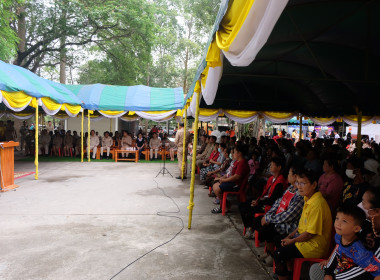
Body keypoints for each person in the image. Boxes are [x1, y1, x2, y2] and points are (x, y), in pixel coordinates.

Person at [273, 169, 332, 280]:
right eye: (297, 183)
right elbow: (301, 226)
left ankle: (283, 276)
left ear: (314, 184)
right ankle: (289, 271)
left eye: (303, 183)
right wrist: (290, 235)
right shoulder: (308, 198)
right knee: (278, 239)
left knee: (279, 253)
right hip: (304, 239)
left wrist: (292, 240)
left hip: (313, 246)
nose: (299, 187)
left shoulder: (317, 204)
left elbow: (310, 234)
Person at [309, 204, 380, 280]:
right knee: (315, 269)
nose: (338, 223)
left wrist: (335, 277)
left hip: (346, 276)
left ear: (356, 228)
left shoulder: (359, 251)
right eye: (337, 218)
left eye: (344, 221)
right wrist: (328, 273)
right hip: (338, 270)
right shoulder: (338, 236)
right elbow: (337, 252)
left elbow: (377, 272)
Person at [254, 166, 304, 266]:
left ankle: (272, 255)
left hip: (288, 224)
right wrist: (268, 215)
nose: (287, 176)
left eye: (289, 174)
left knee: (267, 229)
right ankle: (269, 252)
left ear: (295, 176)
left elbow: (288, 216)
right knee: (259, 221)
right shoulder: (290, 188)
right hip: (278, 219)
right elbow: (278, 202)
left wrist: (269, 219)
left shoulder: (300, 196)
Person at [240, 157, 287, 237]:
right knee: (241, 205)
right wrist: (258, 200)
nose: (270, 167)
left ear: (279, 167)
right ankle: (250, 226)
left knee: (248, 210)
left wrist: (259, 202)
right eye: (270, 165)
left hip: (269, 205)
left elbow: (272, 200)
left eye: (272, 165)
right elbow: (264, 194)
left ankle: (252, 228)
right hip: (263, 200)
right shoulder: (272, 178)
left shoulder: (280, 182)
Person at [211, 144, 250, 214]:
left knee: (217, 189)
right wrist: (222, 177)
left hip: (236, 185)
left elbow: (236, 177)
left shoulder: (242, 163)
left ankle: (225, 206)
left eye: (234, 152)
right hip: (232, 182)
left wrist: (224, 180)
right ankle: (225, 205)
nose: (233, 154)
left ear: (239, 153)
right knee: (215, 184)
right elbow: (229, 173)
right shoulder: (236, 161)